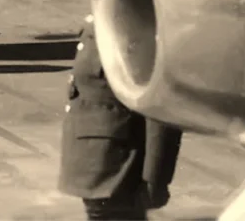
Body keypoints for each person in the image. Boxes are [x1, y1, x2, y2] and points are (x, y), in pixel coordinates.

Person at [59, 14, 183, 219]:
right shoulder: (106, 17)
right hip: (96, 162)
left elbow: (158, 106)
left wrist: (155, 178)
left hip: (116, 169)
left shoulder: (137, 25)